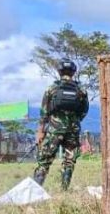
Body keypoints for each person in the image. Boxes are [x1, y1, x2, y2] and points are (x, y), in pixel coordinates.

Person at [33, 59, 89, 190]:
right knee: (69, 160)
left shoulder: (52, 88)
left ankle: (35, 189)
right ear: (73, 72)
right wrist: (74, 121)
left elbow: (44, 112)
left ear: (59, 72)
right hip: (73, 129)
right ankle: (64, 189)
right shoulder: (81, 90)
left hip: (55, 129)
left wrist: (40, 131)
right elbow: (84, 111)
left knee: (44, 159)